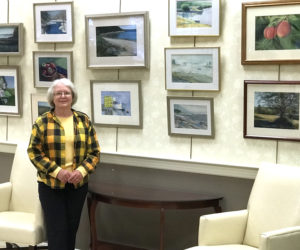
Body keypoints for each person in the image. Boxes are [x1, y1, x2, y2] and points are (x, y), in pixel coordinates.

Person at [27, 78, 100, 250]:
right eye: (58, 93)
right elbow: (34, 152)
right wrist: (57, 171)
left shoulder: (83, 120)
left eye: (66, 92)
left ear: (72, 96)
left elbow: (94, 152)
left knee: (70, 229)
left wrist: (81, 172)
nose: (63, 96)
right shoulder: (42, 122)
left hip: (77, 185)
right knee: (56, 230)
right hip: (50, 185)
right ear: (52, 98)